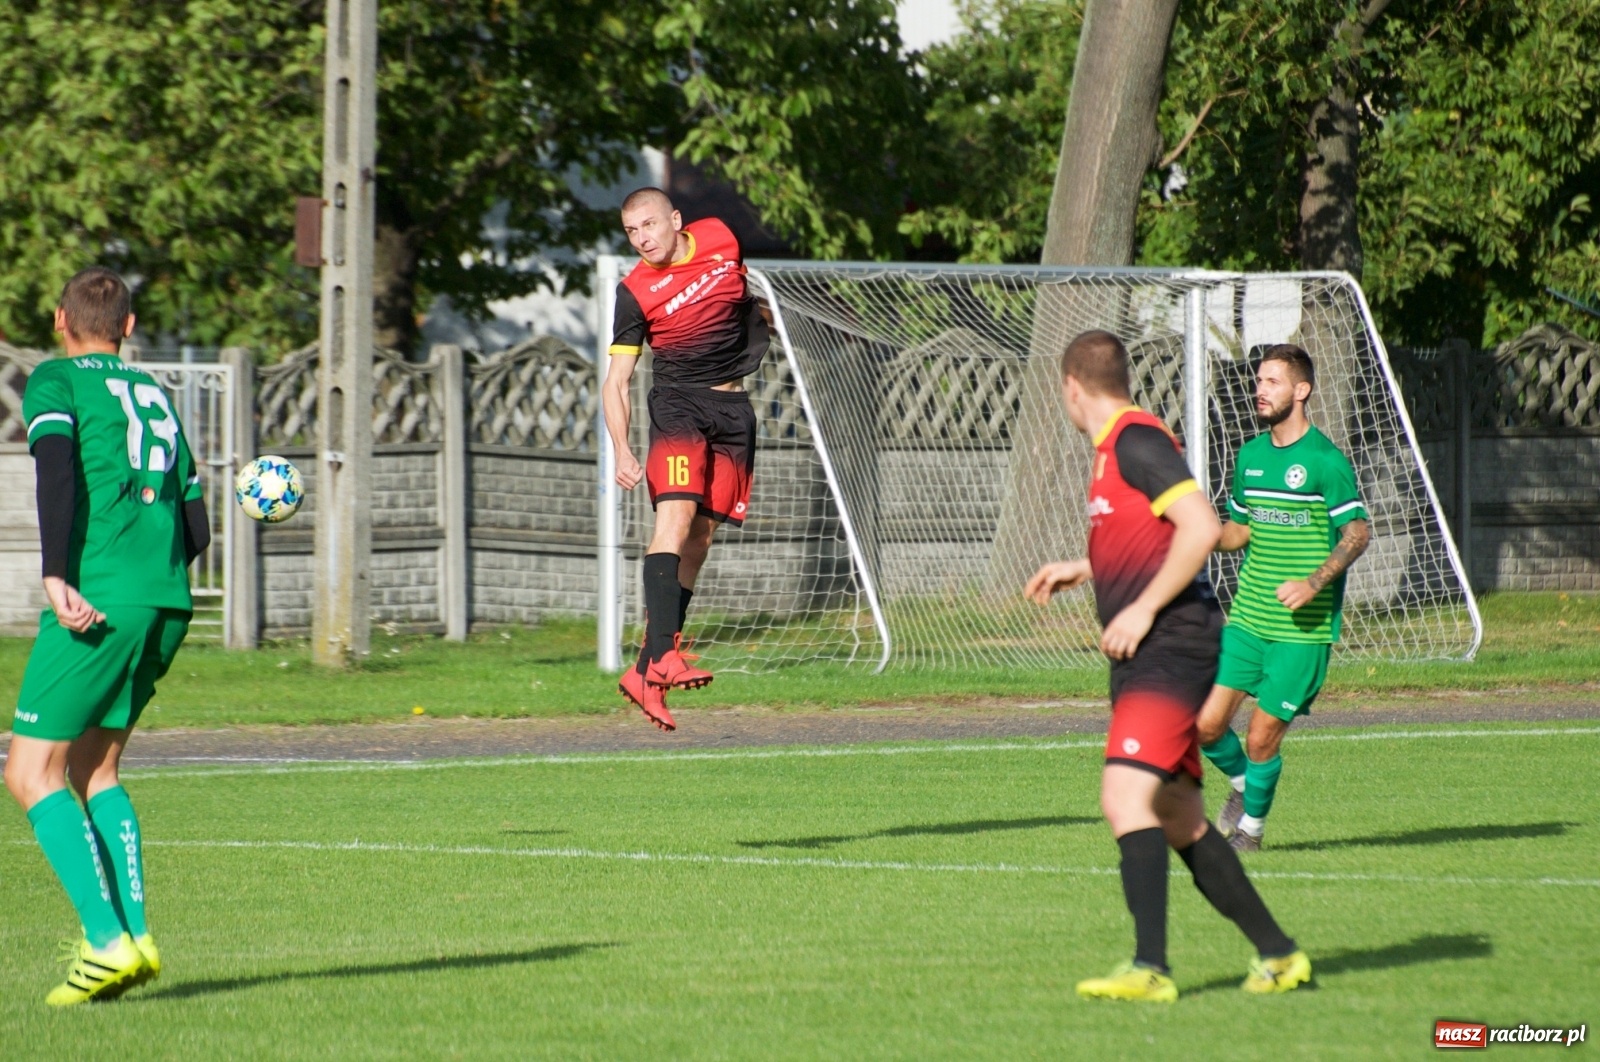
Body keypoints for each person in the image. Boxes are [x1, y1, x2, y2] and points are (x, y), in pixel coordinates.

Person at [1025, 330, 1310, 1002]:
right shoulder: (1114, 450)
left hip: (1170, 649)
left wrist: (1142, 610)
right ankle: (1279, 955)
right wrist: (1086, 567)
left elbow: (1201, 526)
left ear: (1072, 386)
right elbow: (1149, 538)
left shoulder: (1135, 440)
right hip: (1155, 652)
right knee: (1179, 817)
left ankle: (1149, 969)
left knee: (1124, 797)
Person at [4, 267, 210, 1006]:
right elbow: (198, 529)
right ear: (128, 327)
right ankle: (138, 938)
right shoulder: (157, 396)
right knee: (95, 771)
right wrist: (151, 587)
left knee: (29, 774)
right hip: (166, 600)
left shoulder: (54, 382)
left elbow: (55, 475)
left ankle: (105, 940)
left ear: (60, 320)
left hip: (100, 601)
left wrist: (59, 576)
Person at [600, 188, 769, 732]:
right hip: (678, 407)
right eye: (632, 231)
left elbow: (743, 302)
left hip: (734, 409)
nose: (642, 238)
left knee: (700, 538)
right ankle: (665, 652)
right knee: (673, 519)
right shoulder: (634, 291)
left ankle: (647, 669)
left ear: (676, 220)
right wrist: (622, 448)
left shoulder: (722, 237)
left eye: (649, 225)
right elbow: (616, 383)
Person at [1198, 345, 1371, 851]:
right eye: (1258, 380)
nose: (1260, 389)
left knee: (1259, 738)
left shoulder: (1324, 462)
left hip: (1304, 630)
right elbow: (1239, 532)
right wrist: (1201, 531)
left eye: (1272, 381)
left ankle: (1249, 832)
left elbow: (1357, 535)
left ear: (1301, 390)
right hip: (1249, 617)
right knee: (1206, 726)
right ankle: (1242, 786)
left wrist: (1313, 584)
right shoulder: (1250, 456)